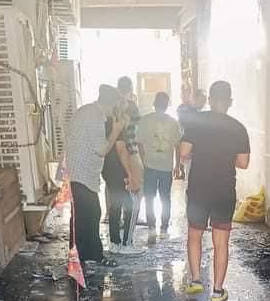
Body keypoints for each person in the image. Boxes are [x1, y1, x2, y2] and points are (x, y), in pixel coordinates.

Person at [179, 80, 250, 301]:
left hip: (199, 189)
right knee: (221, 241)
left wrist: (202, 154)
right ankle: (218, 291)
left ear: (209, 100)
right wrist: (224, 157)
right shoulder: (238, 128)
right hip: (224, 191)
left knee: (194, 234)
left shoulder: (196, 122)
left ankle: (196, 280)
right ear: (230, 102)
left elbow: (183, 152)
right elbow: (243, 162)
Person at [64, 84, 124, 268]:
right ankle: (83, 258)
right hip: (80, 173)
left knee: (88, 214)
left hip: (79, 172)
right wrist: (116, 131)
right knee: (86, 215)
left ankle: (86, 255)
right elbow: (102, 150)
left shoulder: (89, 111)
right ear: (112, 103)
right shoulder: (95, 117)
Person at [102, 78, 145, 255]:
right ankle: (127, 244)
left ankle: (115, 243)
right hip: (120, 166)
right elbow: (121, 149)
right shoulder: (119, 124)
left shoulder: (106, 121)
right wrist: (131, 173)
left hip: (108, 167)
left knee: (115, 204)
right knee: (132, 204)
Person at [138, 91, 182, 243]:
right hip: (166, 166)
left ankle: (151, 228)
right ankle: (163, 229)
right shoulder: (173, 123)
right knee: (165, 198)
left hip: (149, 165)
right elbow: (177, 146)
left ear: (154, 104)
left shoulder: (145, 120)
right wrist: (177, 165)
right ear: (167, 105)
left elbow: (139, 144)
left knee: (149, 198)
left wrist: (142, 161)